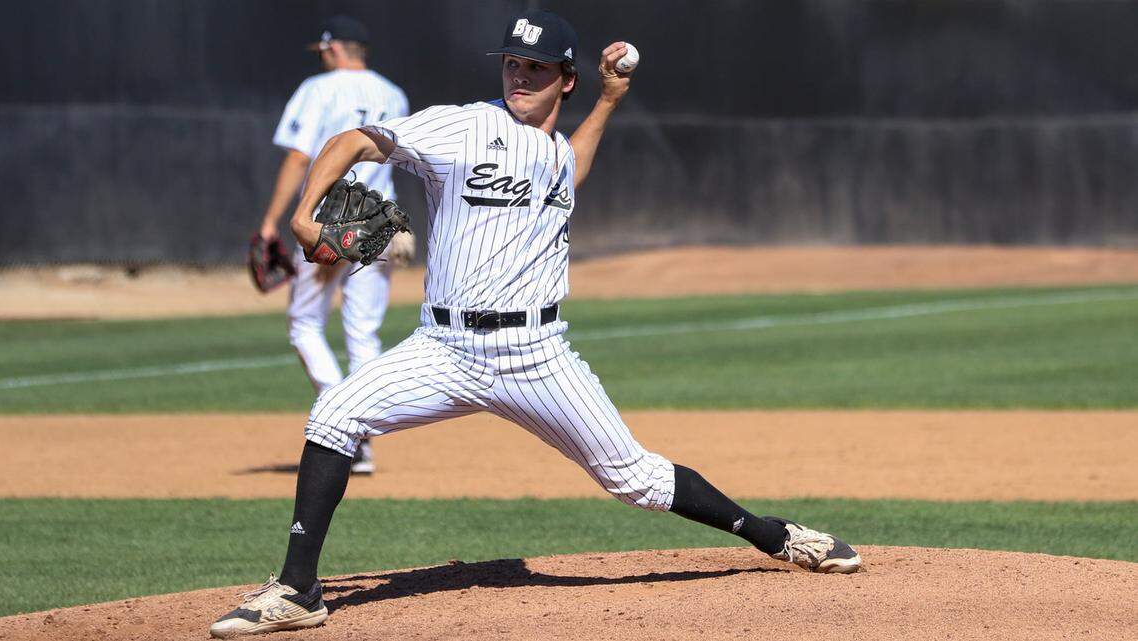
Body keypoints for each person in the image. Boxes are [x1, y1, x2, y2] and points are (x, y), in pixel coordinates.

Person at [210, 10, 860, 638]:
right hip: (444, 346)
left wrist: (608, 102)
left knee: (635, 478)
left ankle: (773, 533)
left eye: (537, 68)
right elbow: (352, 140)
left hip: (537, 353)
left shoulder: (553, 155)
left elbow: (572, 169)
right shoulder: (461, 127)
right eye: (512, 64)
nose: (519, 77)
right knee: (333, 416)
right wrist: (306, 214)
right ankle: (299, 590)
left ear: (565, 79)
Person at [257, 15, 412, 475]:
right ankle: (361, 434)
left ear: (333, 49)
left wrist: (271, 222)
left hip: (331, 217)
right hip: (380, 217)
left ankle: (342, 424)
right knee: (363, 332)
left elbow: (300, 156)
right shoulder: (394, 94)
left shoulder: (318, 90)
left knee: (305, 322)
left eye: (323, 51)